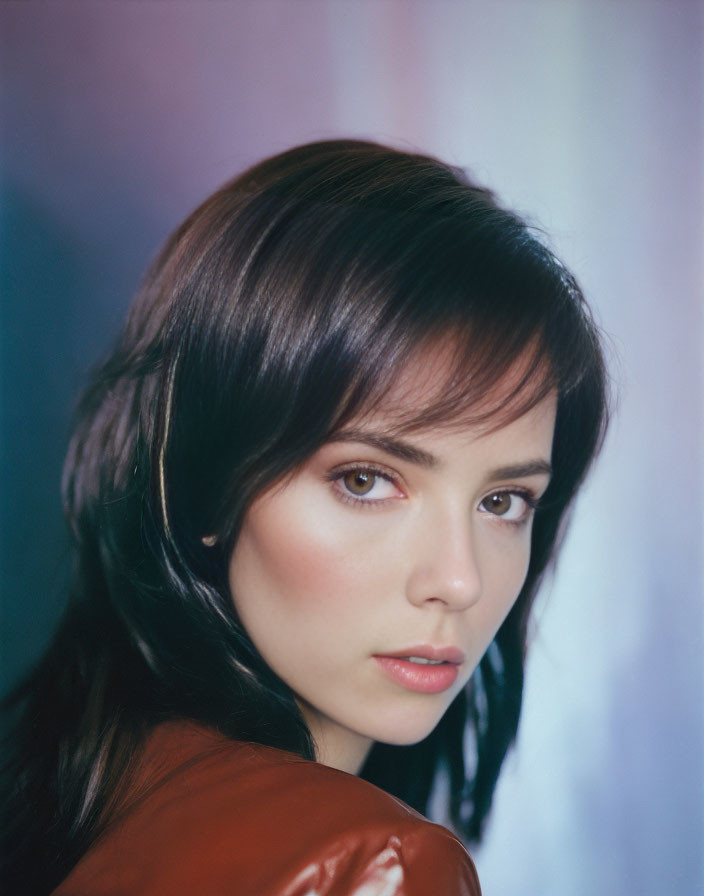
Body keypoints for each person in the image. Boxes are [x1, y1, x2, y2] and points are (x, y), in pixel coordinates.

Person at [1, 140, 608, 895]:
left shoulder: (107, 791)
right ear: (202, 486)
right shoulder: (375, 863)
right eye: (365, 480)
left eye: (502, 501)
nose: (458, 579)